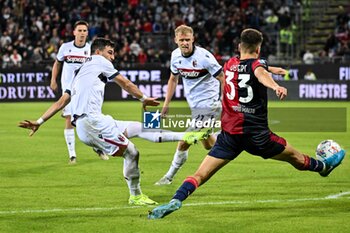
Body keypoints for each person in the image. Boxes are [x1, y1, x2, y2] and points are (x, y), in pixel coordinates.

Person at [148, 28, 346, 219]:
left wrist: (268, 69)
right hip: (257, 136)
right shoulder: (256, 66)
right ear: (258, 49)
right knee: (295, 157)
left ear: (238, 46)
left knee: (200, 175)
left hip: (229, 136)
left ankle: (176, 199)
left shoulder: (228, 65)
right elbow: (259, 73)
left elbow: (255, 67)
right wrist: (275, 85)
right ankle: (323, 167)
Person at [19, 37, 161, 206]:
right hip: (90, 124)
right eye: (110, 52)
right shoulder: (97, 62)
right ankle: (135, 195)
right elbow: (126, 83)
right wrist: (143, 98)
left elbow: (61, 102)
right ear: (98, 52)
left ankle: (135, 194)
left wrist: (39, 121)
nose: (113, 57)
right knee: (131, 151)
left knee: (133, 147)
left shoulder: (79, 74)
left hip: (85, 125)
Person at [155, 25, 287, 186]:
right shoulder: (175, 56)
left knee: (185, 140)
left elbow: (223, 78)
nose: (185, 43)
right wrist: (166, 105)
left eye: (187, 40)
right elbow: (173, 79)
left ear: (193, 39)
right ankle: (226, 138)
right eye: (181, 40)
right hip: (195, 106)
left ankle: (168, 177)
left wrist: (229, 103)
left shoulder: (204, 57)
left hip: (210, 104)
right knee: (208, 144)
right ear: (176, 40)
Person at [50, 20, 91, 164]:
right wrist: (53, 80)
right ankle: (72, 155)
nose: (81, 33)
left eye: (84, 31)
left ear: (87, 33)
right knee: (69, 119)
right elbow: (57, 63)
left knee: (88, 119)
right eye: (79, 30)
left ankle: (97, 146)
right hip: (68, 90)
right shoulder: (65, 47)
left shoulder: (90, 49)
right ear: (74, 32)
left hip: (84, 91)